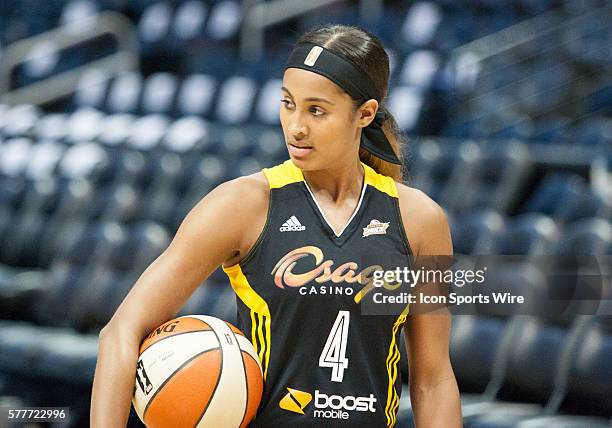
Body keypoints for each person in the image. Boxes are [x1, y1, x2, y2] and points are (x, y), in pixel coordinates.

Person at [91, 24, 462, 427]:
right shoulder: (242, 204)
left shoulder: (421, 220)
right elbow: (120, 334)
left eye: (316, 110)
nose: (296, 126)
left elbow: (433, 378)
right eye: (288, 104)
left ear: (366, 113)